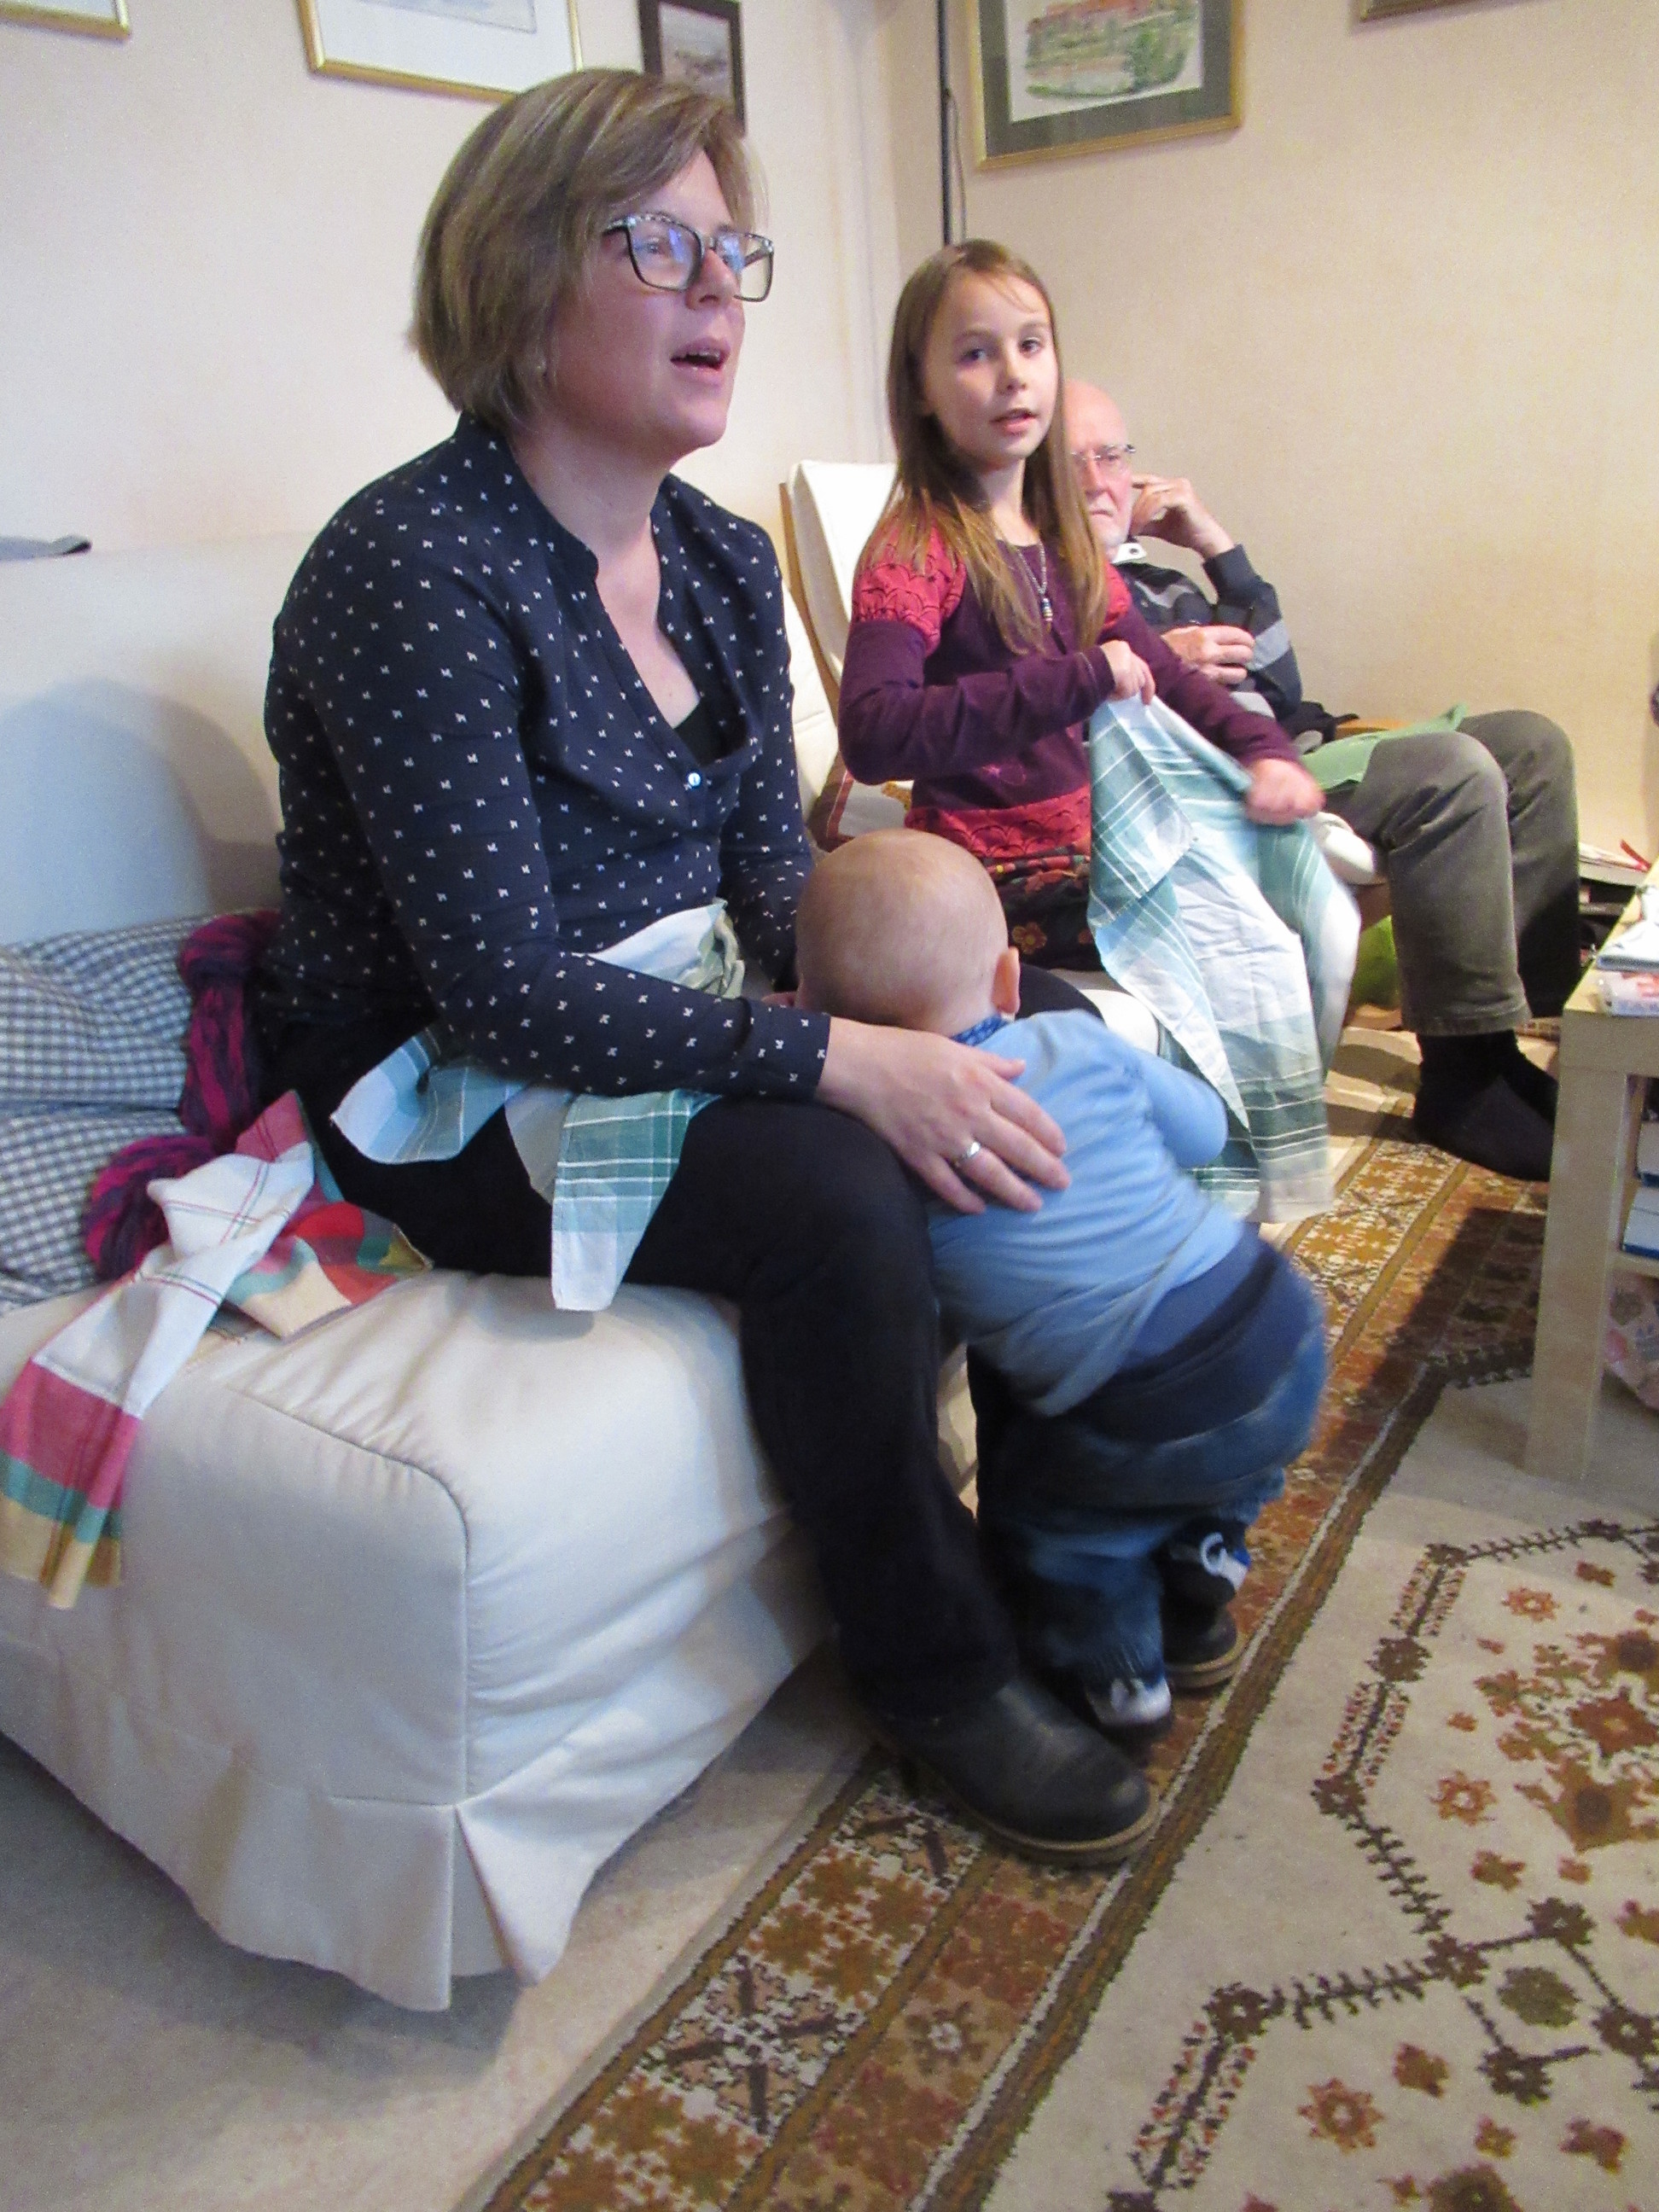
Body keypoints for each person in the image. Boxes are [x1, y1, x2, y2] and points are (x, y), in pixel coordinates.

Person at [252, 70, 1155, 1866]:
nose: (719, 292)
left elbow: (772, 890)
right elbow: (498, 988)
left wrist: (912, 1003)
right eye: (657, 246)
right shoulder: (406, 567)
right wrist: (843, 1062)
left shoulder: (725, 560)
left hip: (688, 997)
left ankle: (1072, 1546)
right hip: (450, 1083)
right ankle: (932, 1663)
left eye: (731, 251)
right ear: (519, 275)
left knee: (1048, 1038)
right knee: (836, 1189)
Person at [795, 828, 1326, 1751]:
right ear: (1009, 979)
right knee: (1234, 1450)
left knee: (1058, 1532)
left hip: (1138, 1399)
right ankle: (1210, 1546)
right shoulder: (1075, 1038)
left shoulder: (878, 1154)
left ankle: (1120, 1684)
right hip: (1277, 1319)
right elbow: (1205, 1132)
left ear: (815, 1016)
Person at [1067, 380, 1580, 1184]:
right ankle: (1463, 1078)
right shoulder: (1051, 594)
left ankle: (1516, 1037)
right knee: (1451, 773)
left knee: (1533, 746)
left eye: (1112, 457)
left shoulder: (1158, 580)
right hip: (1239, 783)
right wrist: (1169, 663)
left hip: (1303, 739)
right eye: (1072, 464)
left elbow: (1279, 686)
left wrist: (1217, 547)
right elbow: (1057, 718)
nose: (1101, 482)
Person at [835, 240, 1326, 975]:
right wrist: (1083, 675)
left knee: (1276, 900)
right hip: (979, 880)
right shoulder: (916, 547)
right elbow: (874, 733)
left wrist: (1266, 751)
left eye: (1031, 345)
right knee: (1228, 930)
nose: (1013, 375)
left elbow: (1172, 680)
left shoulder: (1065, 546)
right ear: (921, 389)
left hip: (1082, 857)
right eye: (975, 354)